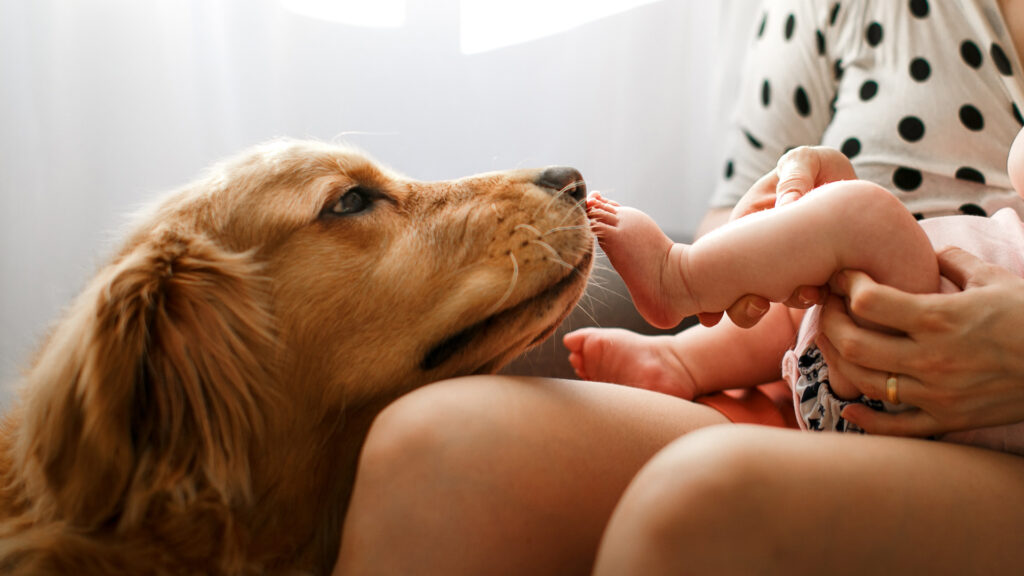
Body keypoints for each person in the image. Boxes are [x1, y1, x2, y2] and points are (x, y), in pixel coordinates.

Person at [332, 0, 1024, 573]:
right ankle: (683, 342)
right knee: (435, 447)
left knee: (705, 498)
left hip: (988, 444)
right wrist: (783, 218)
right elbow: (739, 210)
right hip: (822, 380)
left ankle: (680, 282)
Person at [568, 141, 1024, 451]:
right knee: (806, 294)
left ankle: (679, 277)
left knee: (864, 219)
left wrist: (835, 219)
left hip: (933, 391)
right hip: (886, 357)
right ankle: (681, 360)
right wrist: (794, 226)